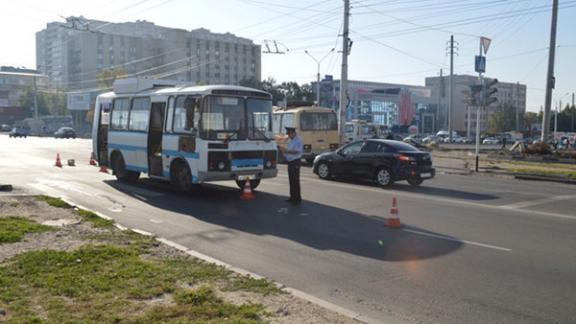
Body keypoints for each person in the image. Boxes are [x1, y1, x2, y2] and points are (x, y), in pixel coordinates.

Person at [279, 127, 303, 205]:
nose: (288, 136)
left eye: (289, 134)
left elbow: (297, 151)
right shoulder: (291, 140)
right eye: (288, 134)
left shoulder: (298, 140)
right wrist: (283, 152)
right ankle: (292, 197)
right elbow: (287, 150)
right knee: (291, 180)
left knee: (295, 180)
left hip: (295, 162)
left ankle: (297, 198)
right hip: (290, 162)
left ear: (293, 133)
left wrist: (287, 151)